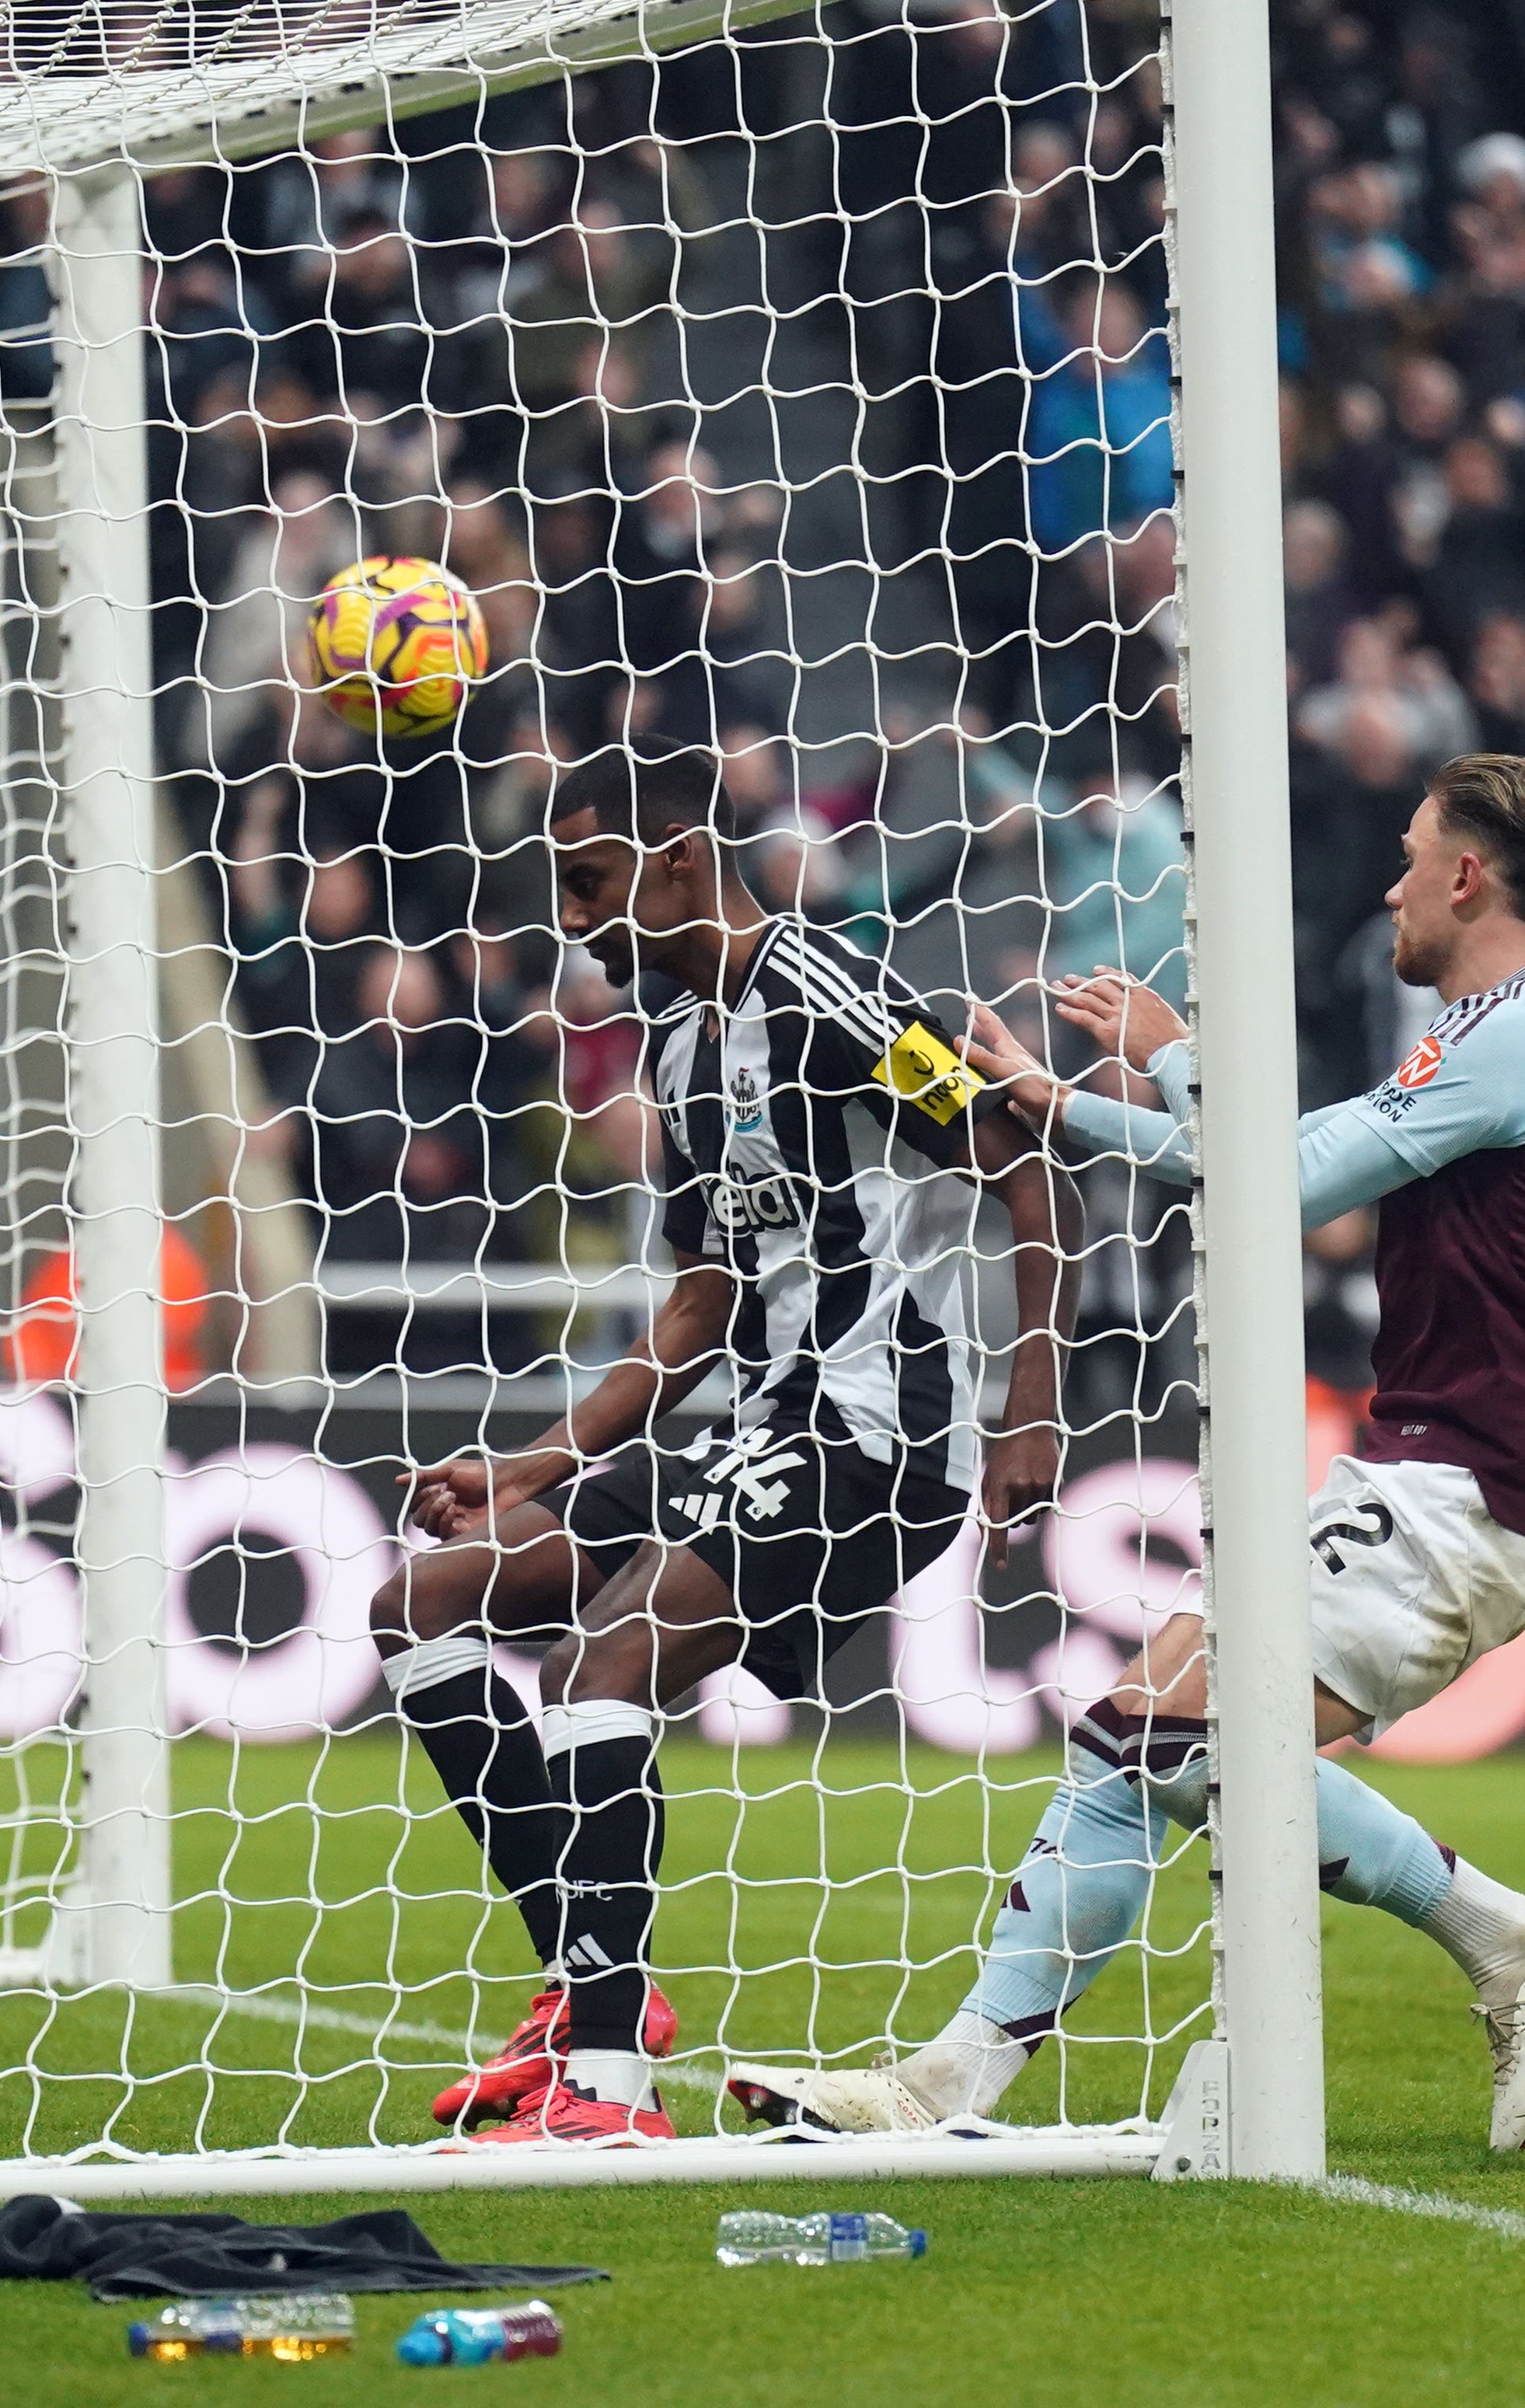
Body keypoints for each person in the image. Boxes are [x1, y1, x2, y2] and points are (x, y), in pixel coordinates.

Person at [732, 754, 1525, 2151]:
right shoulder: (1501, 1029)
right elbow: (1273, 1159)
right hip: (1431, 1472)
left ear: (1467, 876)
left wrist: (1161, 1046)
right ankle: (942, 2083)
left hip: (1473, 1487)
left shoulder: (1519, 1036)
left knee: (1165, 1728)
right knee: (1134, 1736)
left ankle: (1513, 1935)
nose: (1389, 883)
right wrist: (1047, 1097)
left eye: (1409, 854)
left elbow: (1286, 1178)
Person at [366, 749, 1067, 2145]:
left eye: (589, 879)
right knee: (420, 1605)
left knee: (598, 1660)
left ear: (678, 856)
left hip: (880, 1433)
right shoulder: (679, 1044)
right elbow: (701, 1294)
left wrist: (1033, 1394)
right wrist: (533, 1465)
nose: (571, 917)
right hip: (761, 1423)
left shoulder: (826, 989)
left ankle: (611, 2091)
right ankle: (588, 1985)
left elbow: (1017, 1149)